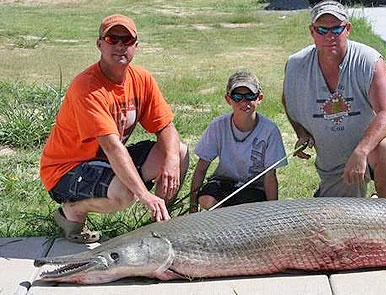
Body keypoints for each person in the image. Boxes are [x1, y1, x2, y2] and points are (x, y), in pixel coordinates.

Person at [40, 14, 189, 243]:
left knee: (178, 151)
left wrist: (171, 160)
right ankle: (72, 211)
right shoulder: (87, 87)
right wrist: (144, 194)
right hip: (65, 170)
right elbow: (112, 147)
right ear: (99, 44)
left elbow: (165, 126)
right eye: (112, 39)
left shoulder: (141, 78)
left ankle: (160, 226)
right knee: (125, 192)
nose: (120, 46)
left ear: (136, 46)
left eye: (127, 40)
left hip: (104, 161)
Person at [282, 1, 386, 199]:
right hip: (334, 164)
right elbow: (287, 100)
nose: (329, 36)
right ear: (312, 31)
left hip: (372, 149)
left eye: (336, 28)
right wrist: (301, 133)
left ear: (348, 29)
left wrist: (361, 151)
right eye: (322, 30)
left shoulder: (369, 60)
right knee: (331, 222)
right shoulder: (296, 64)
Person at [189, 71, 287, 212]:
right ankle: (226, 220)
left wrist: (272, 211)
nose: (243, 102)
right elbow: (201, 168)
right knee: (206, 199)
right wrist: (193, 205)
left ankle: (229, 220)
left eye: (249, 96)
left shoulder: (270, 131)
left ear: (259, 98)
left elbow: (270, 176)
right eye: (237, 97)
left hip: (253, 188)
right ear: (228, 99)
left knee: (244, 209)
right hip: (223, 182)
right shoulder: (218, 126)